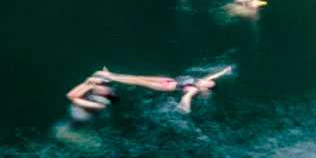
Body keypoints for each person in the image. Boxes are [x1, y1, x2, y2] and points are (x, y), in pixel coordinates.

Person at [96, 66, 234, 113]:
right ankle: (112, 75)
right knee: (138, 76)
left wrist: (185, 106)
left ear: (206, 89)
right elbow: (212, 76)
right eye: (208, 80)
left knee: (137, 81)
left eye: (207, 83)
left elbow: (187, 96)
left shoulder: (194, 89)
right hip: (169, 80)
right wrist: (224, 71)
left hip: (166, 86)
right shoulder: (201, 82)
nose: (206, 80)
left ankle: (109, 77)